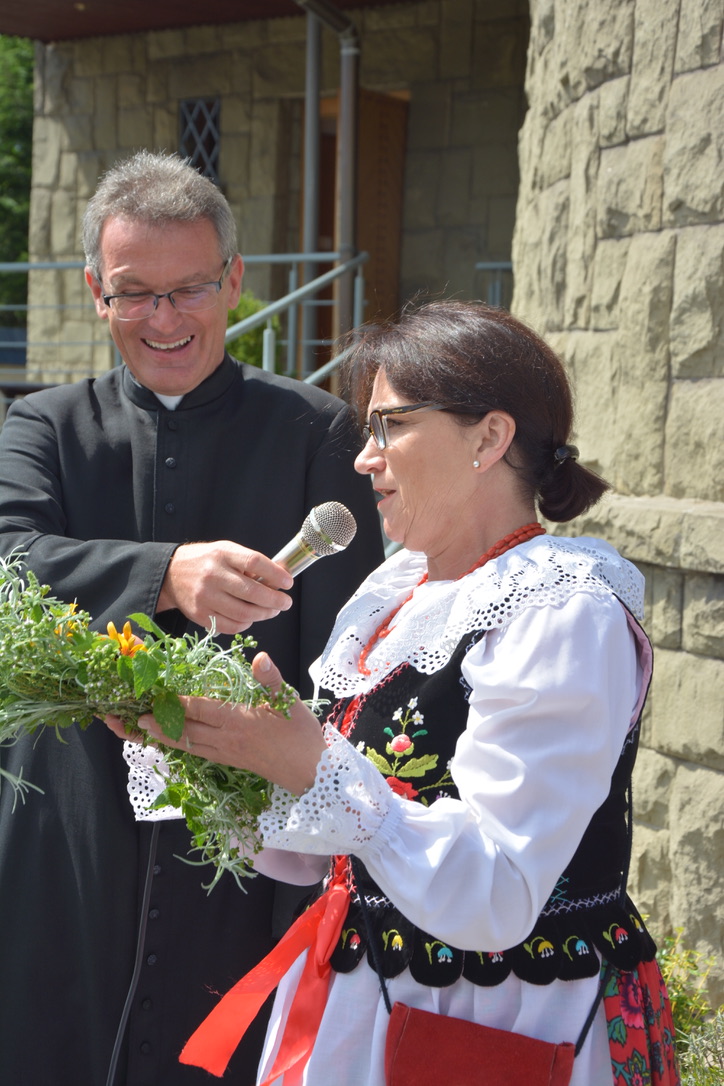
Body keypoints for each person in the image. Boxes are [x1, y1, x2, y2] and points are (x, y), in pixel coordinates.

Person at [115, 300, 681, 1086]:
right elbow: (333, 849)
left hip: (495, 1027)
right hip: (365, 1006)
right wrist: (209, 750)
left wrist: (311, 764)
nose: (364, 459)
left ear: (488, 437)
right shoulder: (398, 594)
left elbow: (499, 890)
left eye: (390, 427)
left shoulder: (560, 610)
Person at [0, 150, 384, 1086]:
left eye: (190, 290)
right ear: (95, 291)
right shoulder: (42, 426)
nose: (164, 318)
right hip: (67, 837)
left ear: (235, 281)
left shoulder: (319, 433)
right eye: (134, 292)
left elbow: (353, 656)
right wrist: (164, 573)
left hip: (245, 853)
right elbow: (7, 558)